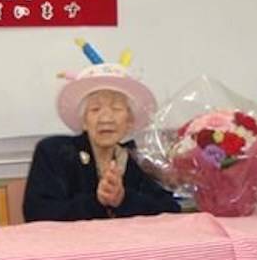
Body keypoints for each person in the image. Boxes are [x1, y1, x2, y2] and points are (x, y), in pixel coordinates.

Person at [23, 61, 180, 221]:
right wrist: (96, 202)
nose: (105, 118)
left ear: (130, 121)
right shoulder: (54, 152)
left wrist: (123, 199)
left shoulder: (140, 162)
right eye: (95, 109)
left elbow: (171, 211)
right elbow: (37, 213)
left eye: (116, 108)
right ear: (84, 120)